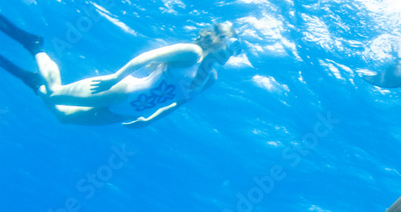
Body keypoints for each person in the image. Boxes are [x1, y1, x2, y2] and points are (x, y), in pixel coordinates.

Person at [0, 16, 239, 127]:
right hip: (121, 91)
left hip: (128, 112)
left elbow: (179, 103)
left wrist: (150, 120)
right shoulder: (193, 53)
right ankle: (35, 46)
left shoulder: (211, 78)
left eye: (235, 51)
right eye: (231, 45)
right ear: (218, 39)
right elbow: (147, 57)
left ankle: (35, 81)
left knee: (64, 117)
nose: (231, 53)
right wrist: (115, 78)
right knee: (53, 94)